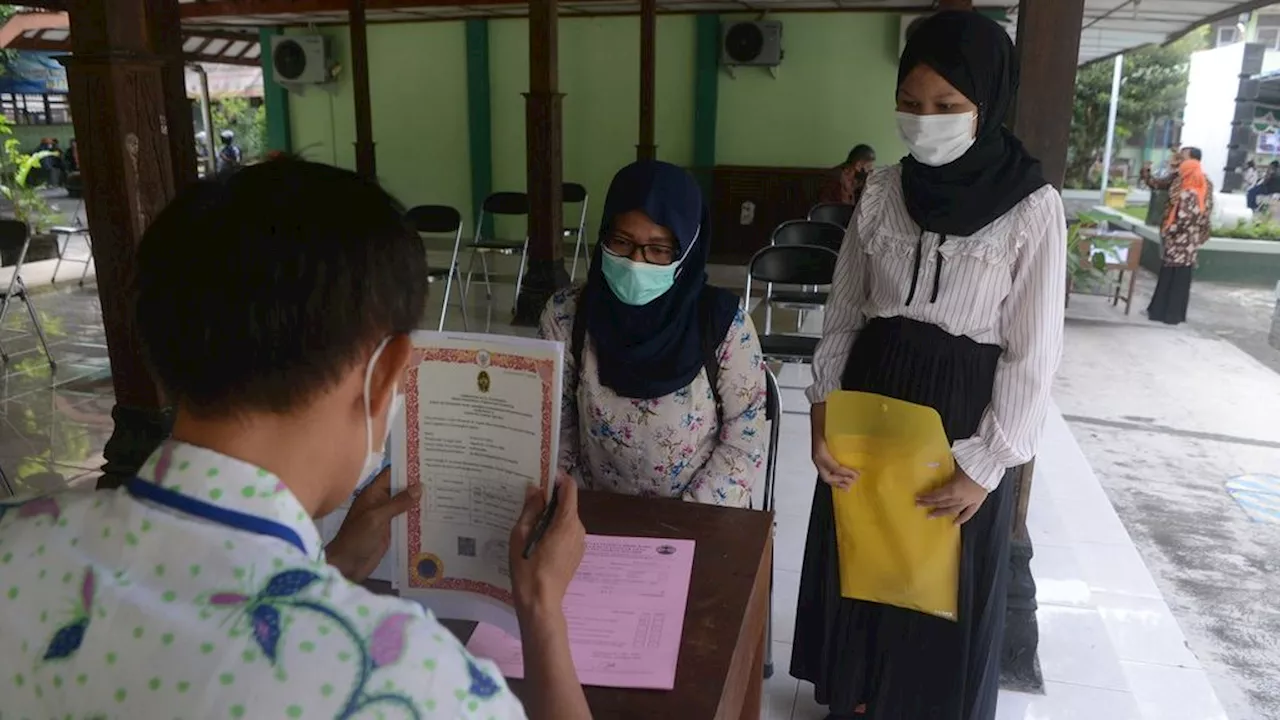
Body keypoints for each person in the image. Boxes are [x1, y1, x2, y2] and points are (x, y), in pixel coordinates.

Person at [0, 158, 591, 720]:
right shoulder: (407, 679)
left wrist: (331, 565)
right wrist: (540, 613)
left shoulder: (15, 542)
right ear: (386, 373)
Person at [791, 12, 1065, 720]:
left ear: (987, 103)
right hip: (871, 401)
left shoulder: (1033, 209)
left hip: (961, 420)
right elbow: (846, 309)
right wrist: (823, 412)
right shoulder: (882, 190)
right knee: (863, 561)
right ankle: (853, 702)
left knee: (939, 582)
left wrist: (987, 461)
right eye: (911, 104)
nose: (925, 121)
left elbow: (1033, 354)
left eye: (947, 107)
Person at [539, 160, 767, 508]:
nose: (635, 262)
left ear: (687, 252)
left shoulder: (724, 325)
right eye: (621, 241)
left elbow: (743, 442)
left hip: (698, 517)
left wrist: (680, 524)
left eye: (659, 250)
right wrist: (569, 503)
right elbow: (555, 428)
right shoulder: (566, 316)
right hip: (589, 511)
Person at [1148, 147, 1213, 325]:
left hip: (1179, 241)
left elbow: (1185, 217)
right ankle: (1172, 314)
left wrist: (1170, 230)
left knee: (1171, 275)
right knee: (1179, 277)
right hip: (1189, 243)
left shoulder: (1190, 191)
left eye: (1184, 162)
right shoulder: (1198, 188)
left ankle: (1164, 313)